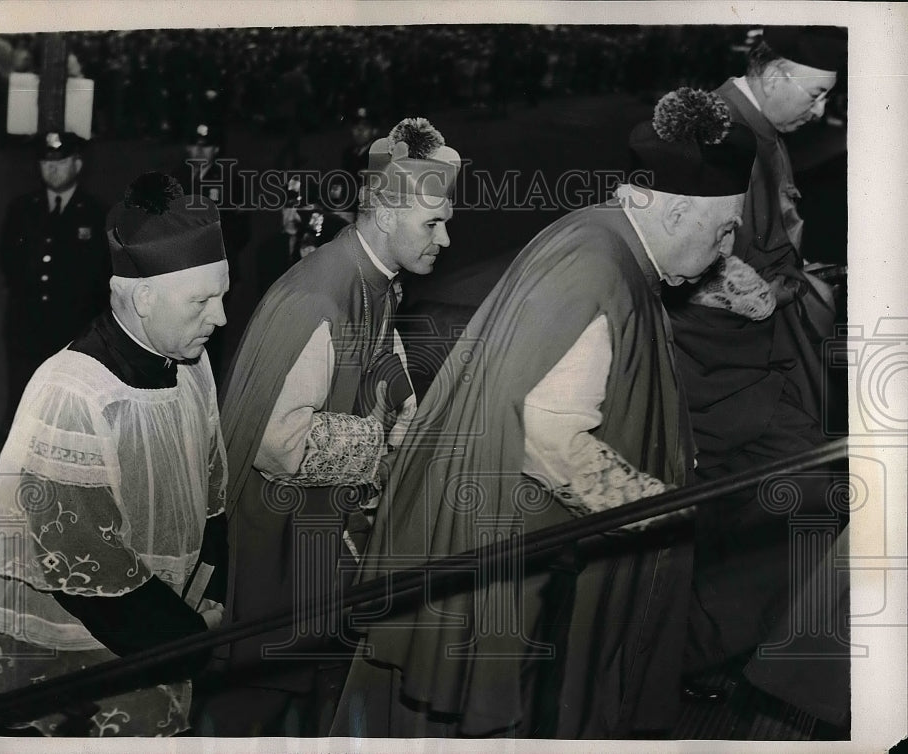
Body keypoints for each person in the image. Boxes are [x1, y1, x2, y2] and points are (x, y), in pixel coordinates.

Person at [330, 89, 756, 738]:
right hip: (512, 561)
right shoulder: (596, 269)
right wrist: (659, 505)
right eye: (725, 229)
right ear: (674, 212)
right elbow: (547, 436)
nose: (726, 249)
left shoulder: (599, 234)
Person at [203, 118, 460, 736]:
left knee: (307, 686)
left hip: (316, 528)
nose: (446, 239)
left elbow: (378, 348)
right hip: (280, 538)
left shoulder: (370, 271)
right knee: (256, 702)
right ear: (384, 214)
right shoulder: (320, 299)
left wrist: (408, 406)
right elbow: (278, 444)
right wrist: (386, 447)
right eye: (433, 223)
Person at [0, 173, 230, 737]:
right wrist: (191, 640)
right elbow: (90, 569)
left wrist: (215, 598)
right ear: (144, 297)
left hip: (160, 631)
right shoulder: (73, 392)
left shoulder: (192, 364)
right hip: (76, 662)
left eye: (223, 295)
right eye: (203, 300)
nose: (222, 317)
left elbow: (210, 495)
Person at [663, 27, 849, 701]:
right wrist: (789, 289)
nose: (823, 110)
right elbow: (696, 267)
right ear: (770, 72)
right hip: (726, 369)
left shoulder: (750, 126)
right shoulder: (725, 136)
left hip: (747, 366)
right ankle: (696, 659)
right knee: (784, 502)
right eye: (817, 90)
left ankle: (701, 655)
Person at [0, 131, 110, 468]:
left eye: (60, 162)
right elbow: (7, 261)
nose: (53, 169)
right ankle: (15, 463)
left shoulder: (95, 213)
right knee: (23, 397)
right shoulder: (22, 208)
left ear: (77, 164)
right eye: (46, 162)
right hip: (25, 326)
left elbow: (100, 275)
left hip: (72, 329)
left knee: (70, 404)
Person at [172, 120, 252, 380]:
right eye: (194, 146)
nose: (199, 152)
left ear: (216, 149)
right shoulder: (175, 179)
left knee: (210, 335)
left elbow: (241, 231)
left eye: (205, 147)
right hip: (181, 270)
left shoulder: (230, 181)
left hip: (215, 272)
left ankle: (209, 384)